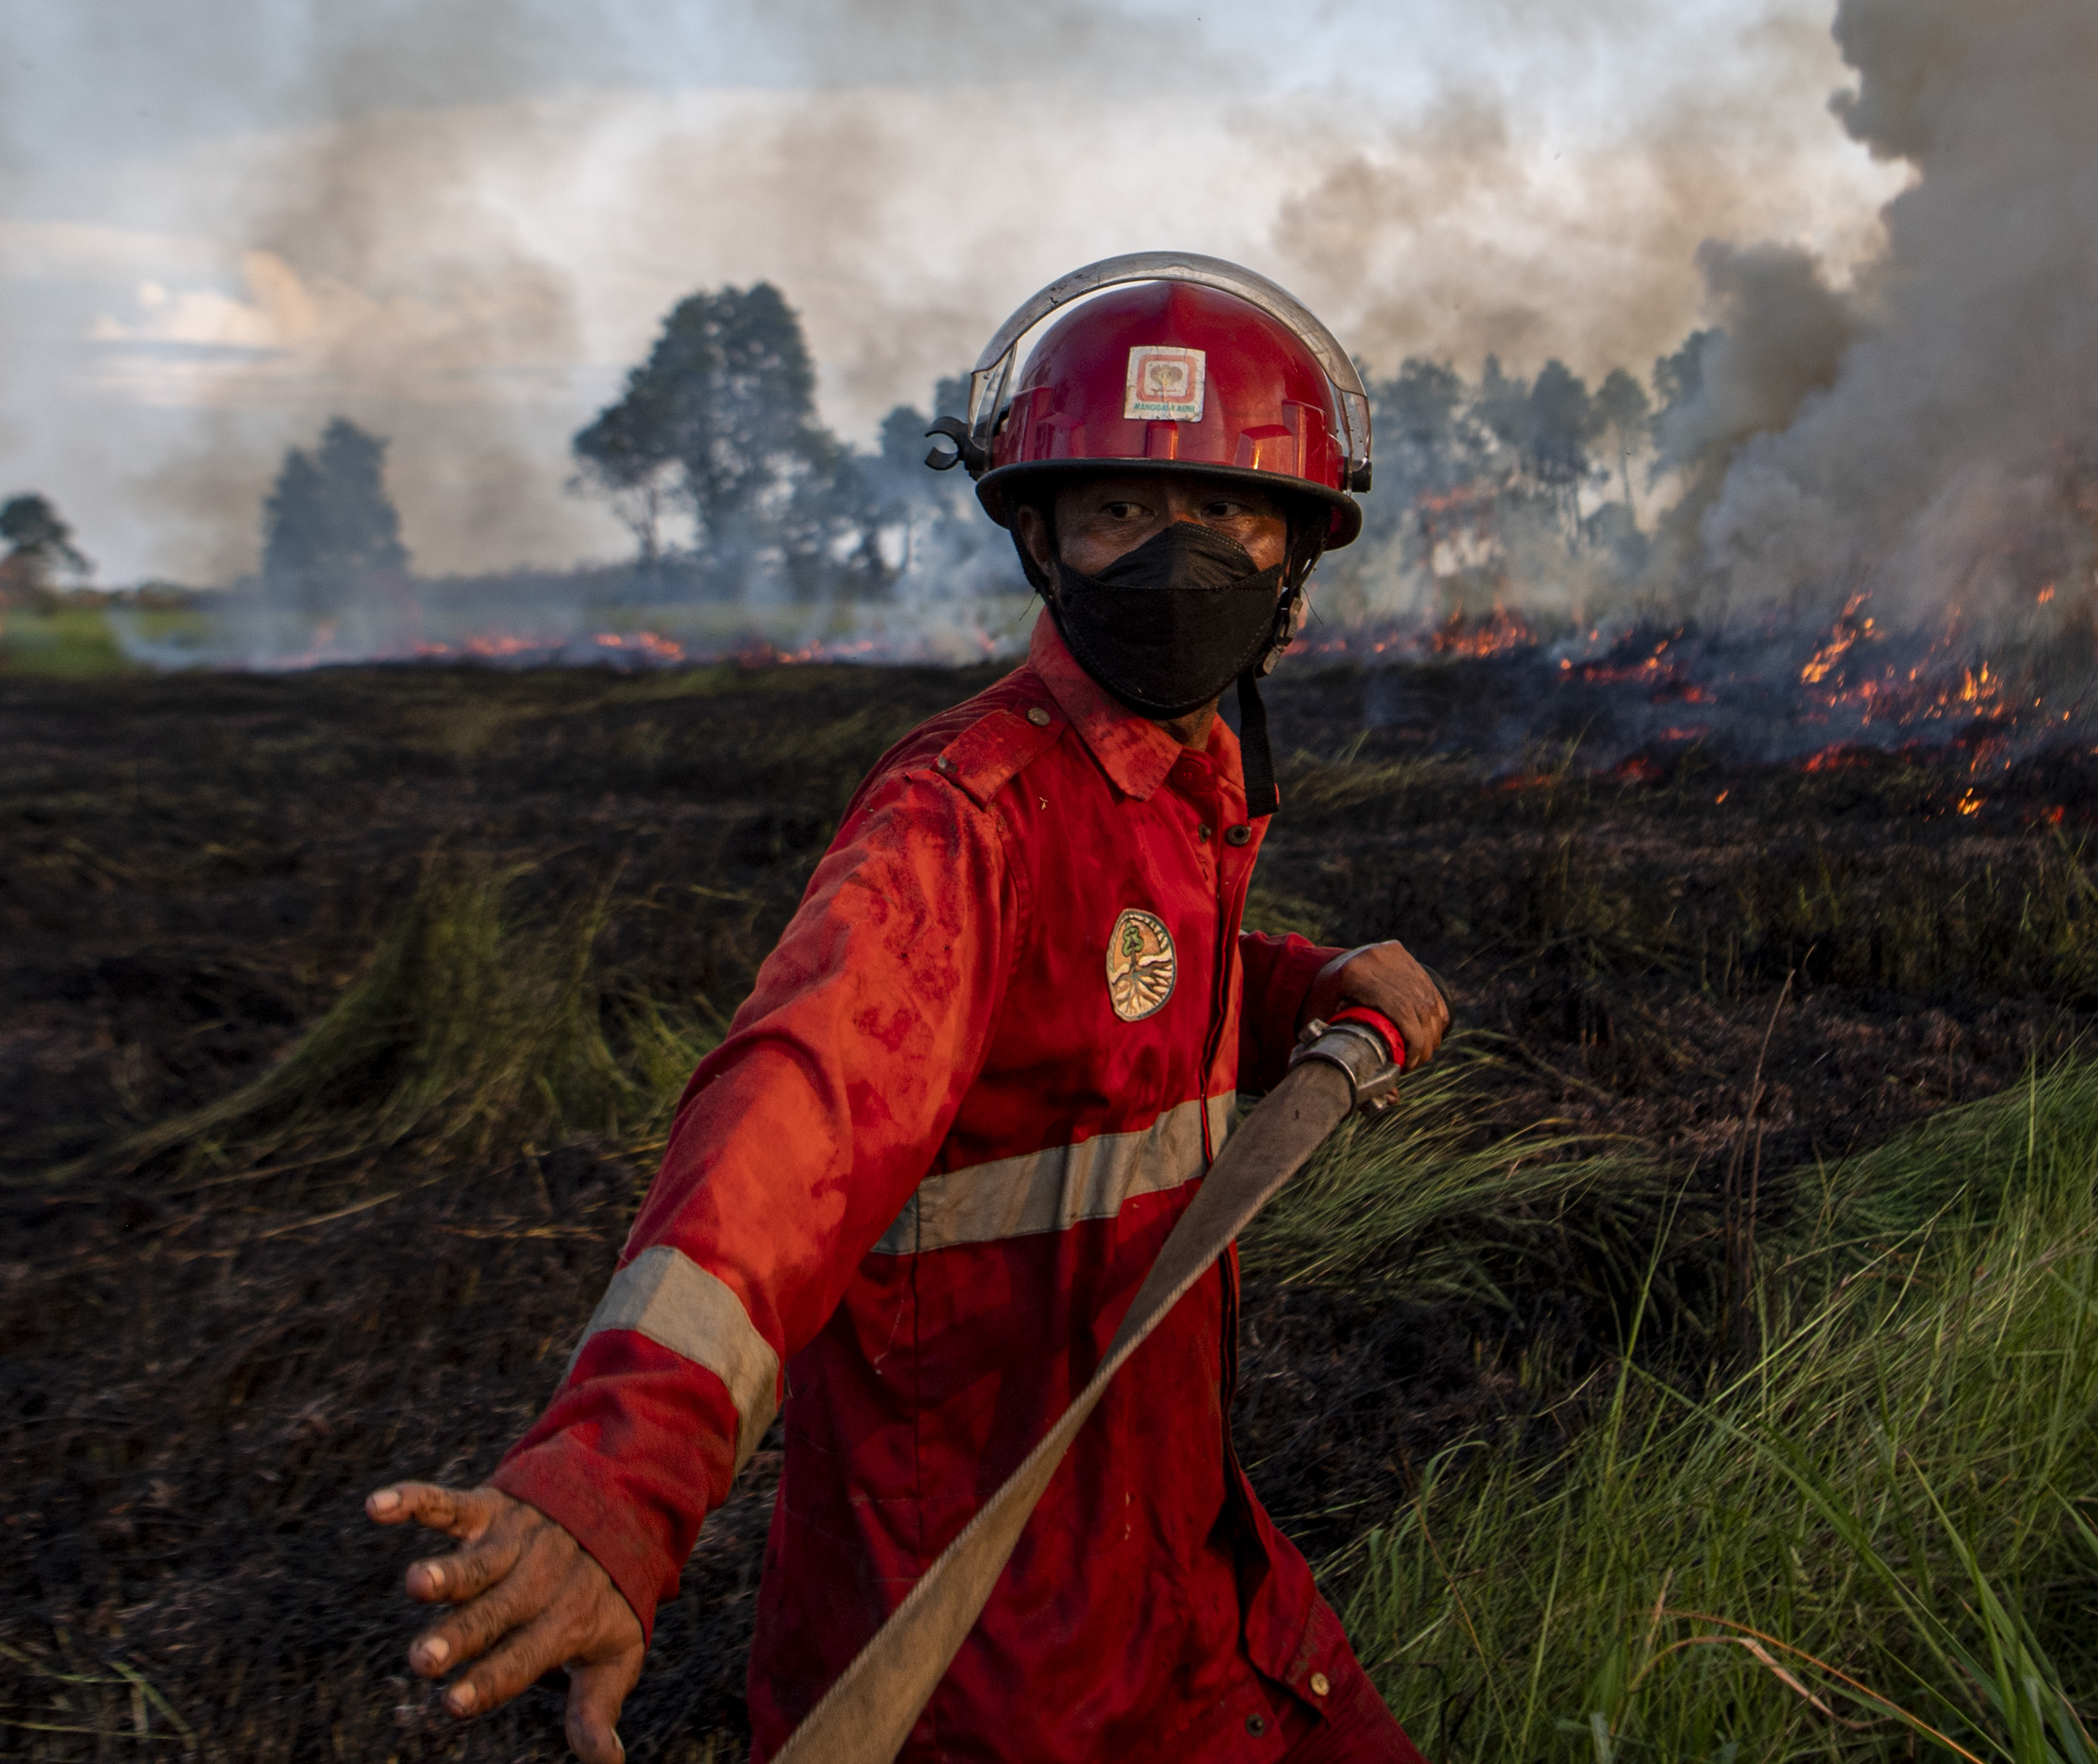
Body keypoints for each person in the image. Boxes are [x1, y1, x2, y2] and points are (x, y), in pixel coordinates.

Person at [363, 255, 1452, 1763]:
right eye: (1120, 512)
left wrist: (1306, 990)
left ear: (1296, 555)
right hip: (974, 1639)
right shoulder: (962, 820)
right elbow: (794, 1114)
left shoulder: (1179, 791)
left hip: (1177, 1560)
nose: (1173, 556)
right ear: (1042, 540)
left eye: (1222, 510)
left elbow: (1113, 1005)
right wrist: (622, 1475)